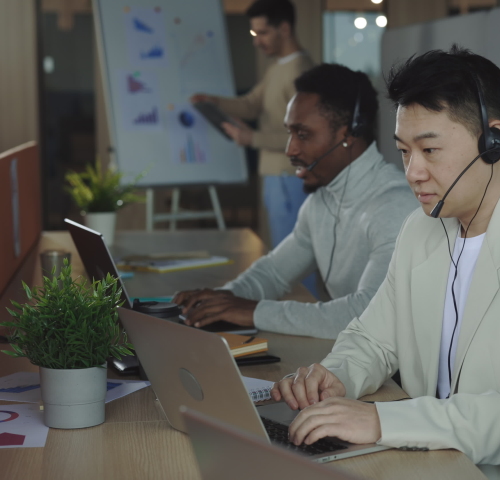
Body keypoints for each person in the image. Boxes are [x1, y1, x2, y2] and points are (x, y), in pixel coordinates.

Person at [268, 45, 500, 476]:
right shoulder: (422, 228)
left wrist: (381, 421)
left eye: (429, 150)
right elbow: (374, 339)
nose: (412, 172)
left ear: (493, 141)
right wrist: (336, 376)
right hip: (429, 463)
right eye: (403, 151)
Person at [173, 64, 418, 339]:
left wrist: (253, 311)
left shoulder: (395, 207)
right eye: (289, 133)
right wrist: (222, 300)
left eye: (302, 134)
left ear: (349, 134)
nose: (290, 149)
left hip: (399, 377)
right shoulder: (320, 202)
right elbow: (274, 273)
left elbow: (368, 313)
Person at [191, 0, 313, 248]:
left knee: (292, 258)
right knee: (282, 253)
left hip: (289, 175)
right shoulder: (278, 67)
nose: (257, 41)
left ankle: (303, 291)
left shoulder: (300, 71)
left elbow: (306, 136)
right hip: (275, 175)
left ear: (285, 29)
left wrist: (252, 138)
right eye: (254, 33)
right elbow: (251, 104)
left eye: (263, 33)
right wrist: (213, 101)